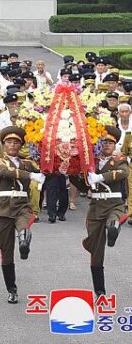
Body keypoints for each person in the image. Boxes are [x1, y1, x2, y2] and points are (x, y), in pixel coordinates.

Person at [69, 127, 129, 297]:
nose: (107, 145)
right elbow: (84, 186)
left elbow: (124, 173)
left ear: (115, 143)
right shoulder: (92, 163)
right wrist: (71, 174)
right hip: (96, 206)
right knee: (96, 251)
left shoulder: (119, 159)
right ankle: (100, 291)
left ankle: (113, 228)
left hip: (114, 203)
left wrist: (101, 177)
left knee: (113, 221)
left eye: (110, 142)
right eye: (104, 142)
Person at [0, 126, 44, 304]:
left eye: (16, 142)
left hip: (22, 205)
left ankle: (24, 242)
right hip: (4, 208)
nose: (12, 145)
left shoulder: (28, 162)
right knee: (6, 252)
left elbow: (44, 173)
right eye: (9, 142)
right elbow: (3, 172)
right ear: (4, 144)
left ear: (21, 145)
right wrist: (30, 176)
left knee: (24, 226)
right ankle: (11, 289)